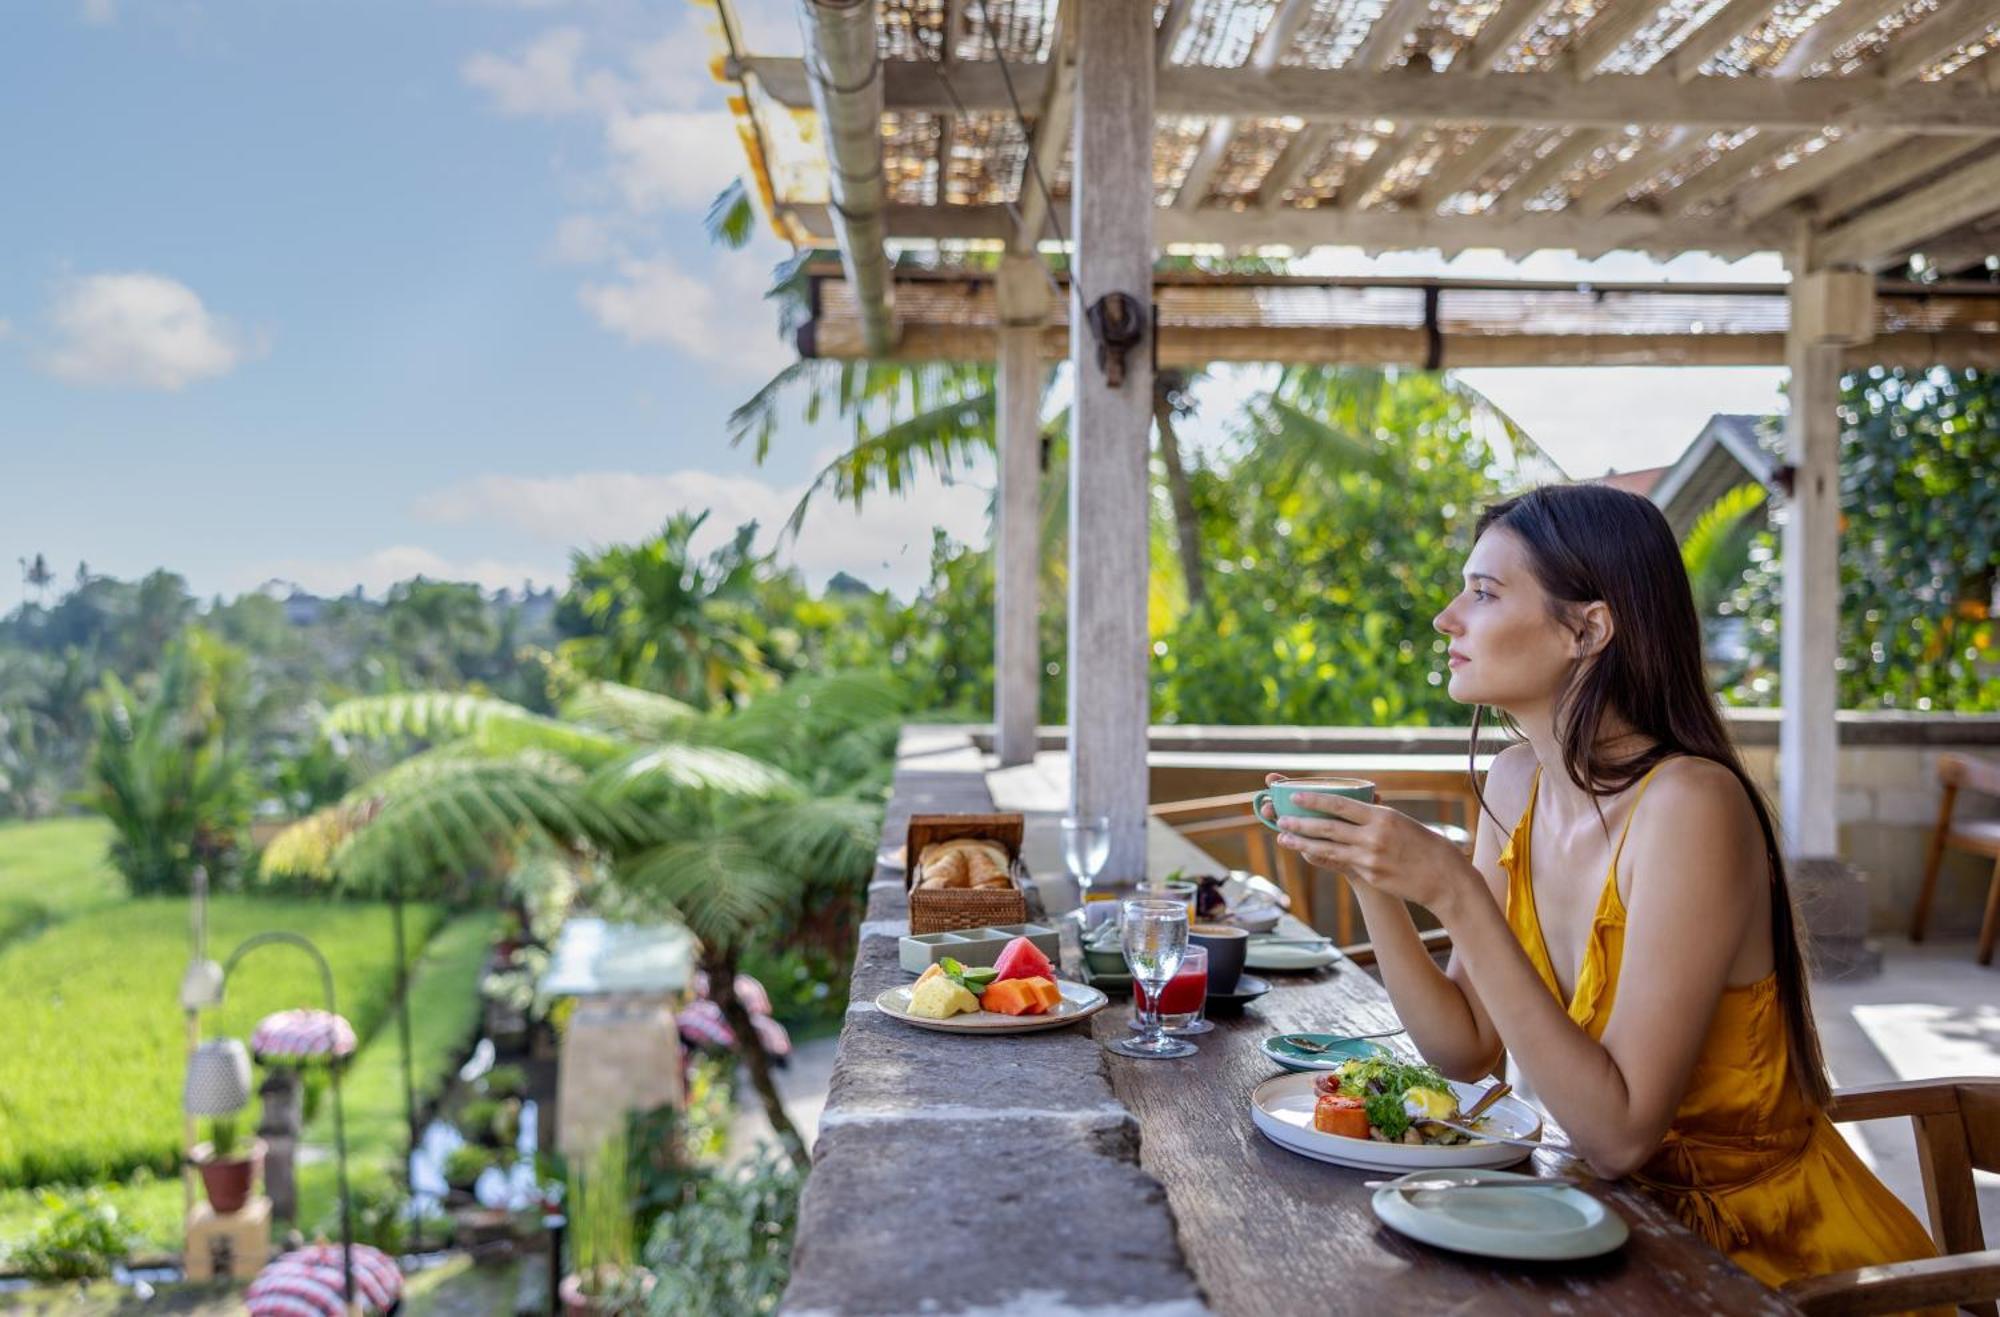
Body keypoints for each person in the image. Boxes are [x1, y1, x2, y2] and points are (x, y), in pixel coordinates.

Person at [1266, 484, 1936, 1290]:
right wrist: (1374, 874)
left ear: (1588, 627)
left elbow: (1619, 1136)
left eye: (1482, 593)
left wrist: (1454, 892)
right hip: (1603, 1232)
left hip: (1770, 1263)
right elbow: (1467, 1050)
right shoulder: (1517, 783)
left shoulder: (1691, 804)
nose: (1447, 617)